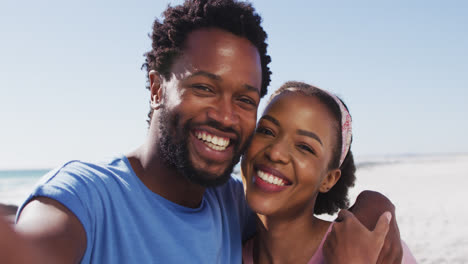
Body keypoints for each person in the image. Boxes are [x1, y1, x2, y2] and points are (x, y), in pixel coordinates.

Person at [0, 0, 402, 263]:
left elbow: (306, 212)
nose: (226, 117)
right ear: (157, 88)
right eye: (205, 88)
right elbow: (39, 245)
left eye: (245, 100)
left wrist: (377, 209)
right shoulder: (85, 194)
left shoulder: (232, 205)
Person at [241, 81, 416, 263]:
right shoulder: (226, 250)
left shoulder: (375, 254)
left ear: (329, 179)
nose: (275, 152)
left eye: (304, 147)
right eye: (266, 131)